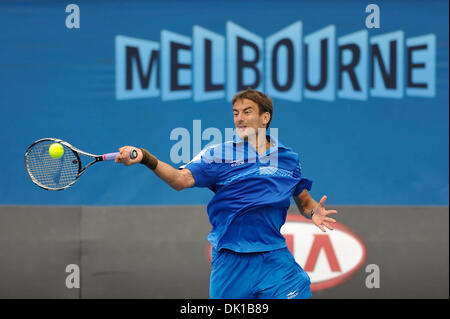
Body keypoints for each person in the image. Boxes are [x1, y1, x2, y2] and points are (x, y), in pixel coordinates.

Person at [115, 89, 338, 299]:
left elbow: (303, 199)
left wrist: (312, 212)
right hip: (231, 260)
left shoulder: (288, 159)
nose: (239, 118)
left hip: (275, 258)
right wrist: (145, 157)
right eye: (235, 113)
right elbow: (179, 180)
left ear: (265, 117)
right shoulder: (217, 155)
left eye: (247, 111)